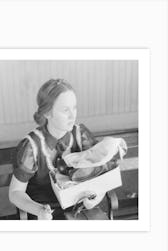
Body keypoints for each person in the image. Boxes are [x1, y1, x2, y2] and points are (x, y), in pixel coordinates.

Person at [9, 78, 105, 220]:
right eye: (65, 110)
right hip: (45, 214)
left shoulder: (81, 135)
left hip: (79, 211)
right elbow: (15, 192)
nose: (72, 115)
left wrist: (95, 198)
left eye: (74, 107)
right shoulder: (31, 147)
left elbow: (100, 176)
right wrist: (39, 210)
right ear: (47, 113)